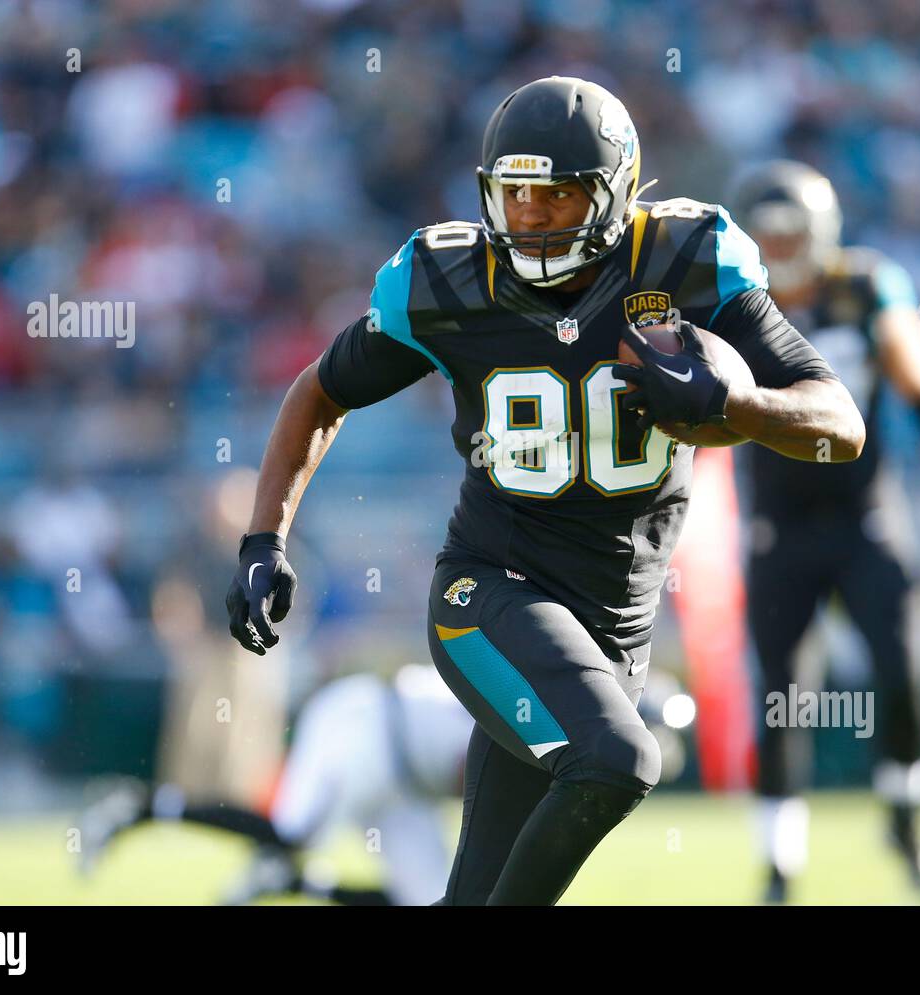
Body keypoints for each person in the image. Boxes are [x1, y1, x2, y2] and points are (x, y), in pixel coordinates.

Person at [225, 78, 863, 905]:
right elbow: (321, 390)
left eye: (556, 197)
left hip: (614, 624)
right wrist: (263, 539)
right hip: (489, 590)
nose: (528, 218)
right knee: (620, 759)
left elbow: (838, 423)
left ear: (616, 192)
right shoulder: (448, 280)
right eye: (513, 195)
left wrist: (739, 405)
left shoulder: (685, 261)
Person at [731, 161, 920, 903]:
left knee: (906, 675)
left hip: (867, 516)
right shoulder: (731, 301)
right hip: (775, 525)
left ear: (821, 233)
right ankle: (779, 866)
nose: (781, 247)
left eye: (792, 231)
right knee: (782, 694)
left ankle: (907, 824)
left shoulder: (864, 288)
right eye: (767, 233)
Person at [80, 665, 474, 906]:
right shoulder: (511, 715)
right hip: (370, 728)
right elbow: (479, 778)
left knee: (432, 902)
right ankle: (140, 806)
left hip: (409, 786)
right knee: (289, 834)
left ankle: (293, 882)